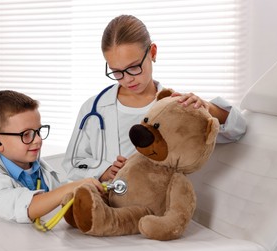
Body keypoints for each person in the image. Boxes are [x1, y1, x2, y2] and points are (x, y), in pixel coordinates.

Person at [62, 14, 246, 182]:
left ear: (153, 52)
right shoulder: (94, 107)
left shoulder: (175, 107)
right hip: (110, 207)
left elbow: (237, 130)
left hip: (158, 208)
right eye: (117, 72)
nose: (127, 79)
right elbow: (72, 163)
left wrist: (207, 107)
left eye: (134, 67)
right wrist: (104, 170)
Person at [0, 90, 103, 223]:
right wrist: (71, 187)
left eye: (38, 131)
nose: (38, 139)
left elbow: (56, 199)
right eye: (26, 134)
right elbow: (27, 207)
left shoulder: (39, 168)